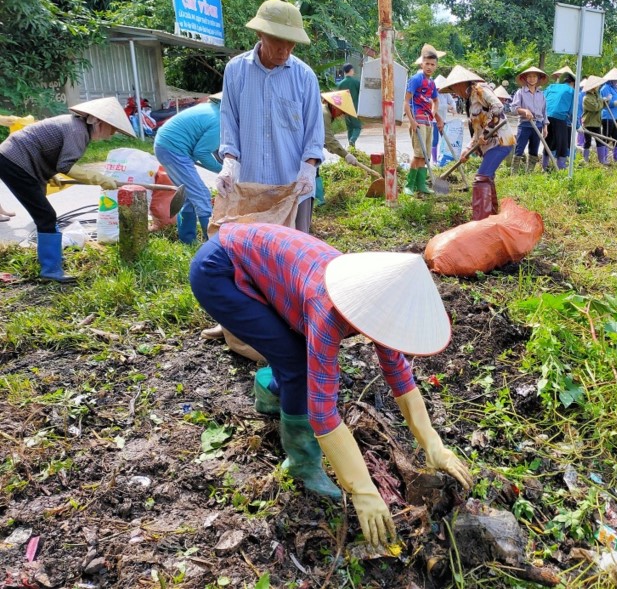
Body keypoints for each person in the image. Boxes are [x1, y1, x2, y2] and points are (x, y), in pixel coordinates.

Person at [189, 223, 472, 546]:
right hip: (219, 272)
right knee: (298, 364)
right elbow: (323, 413)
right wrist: (362, 490)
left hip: (260, 265)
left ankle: (271, 393)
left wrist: (432, 442)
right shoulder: (329, 309)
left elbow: (397, 370)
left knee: (293, 349)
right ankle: (302, 463)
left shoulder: (376, 298)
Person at [217, 0, 324, 234]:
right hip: (250, 187)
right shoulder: (236, 71)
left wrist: (308, 171)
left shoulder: (305, 77)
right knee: (251, 254)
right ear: (260, 33)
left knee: (291, 255)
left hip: (293, 187)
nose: (284, 50)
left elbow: (314, 136)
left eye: (291, 44)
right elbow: (229, 122)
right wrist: (229, 163)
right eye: (277, 41)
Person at [0, 97, 133, 281]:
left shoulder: (75, 126)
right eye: (113, 129)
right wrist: (99, 178)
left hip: (16, 160)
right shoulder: (78, 131)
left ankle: (52, 263)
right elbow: (66, 165)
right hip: (15, 162)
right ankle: (51, 270)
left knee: (45, 216)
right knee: (46, 216)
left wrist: (52, 175)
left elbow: (48, 151)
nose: (111, 134)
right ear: (100, 122)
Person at [440, 65, 515, 220]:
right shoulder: (469, 101)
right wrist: (467, 149)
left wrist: (487, 131)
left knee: (481, 179)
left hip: (500, 140)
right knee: (487, 178)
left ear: (461, 84)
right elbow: (477, 132)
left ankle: (481, 222)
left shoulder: (480, 90)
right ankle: (492, 217)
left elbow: (498, 107)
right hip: (490, 144)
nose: (455, 92)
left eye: (454, 88)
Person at [153, 93, 222, 244]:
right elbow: (202, 152)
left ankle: (188, 241)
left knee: (189, 196)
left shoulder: (211, 109)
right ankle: (212, 246)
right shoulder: (219, 120)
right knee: (202, 194)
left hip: (166, 146)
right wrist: (222, 170)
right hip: (173, 150)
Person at [404, 44, 444, 196]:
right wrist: (412, 121)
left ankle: (421, 185)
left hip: (428, 122)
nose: (429, 67)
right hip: (418, 121)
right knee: (417, 155)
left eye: (432, 64)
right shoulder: (416, 79)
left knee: (425, 156)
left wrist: (434, 115)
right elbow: (406, 102)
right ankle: (409, 185)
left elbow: (435, 101)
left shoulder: (432, 83)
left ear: (436, 66)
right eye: (426, 64)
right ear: (422, 63)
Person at [318, 90, 360, 204]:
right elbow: (328, 137)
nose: (341, 115)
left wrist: (327, 146)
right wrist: (346, 154)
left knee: (314, 171)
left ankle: (318, 200)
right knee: (312, 172)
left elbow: (320, 135)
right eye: (342, 111)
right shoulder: (324, 113)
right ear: (335, 107)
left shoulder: (323, 111)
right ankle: (317, 201)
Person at [511, 67, 549, 167]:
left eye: (534, 76)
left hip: (538, 125)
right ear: (525, 78)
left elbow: (544, 111)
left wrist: (545, 127)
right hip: (525, 125)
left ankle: (530, 174)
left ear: (538, 79)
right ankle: (514, 174)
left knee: (534, 150)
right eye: (529, 76)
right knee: (519, 149)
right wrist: (525, 111)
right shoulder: (520, 92)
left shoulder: (541, 94)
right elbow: (514, 108)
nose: (532, 79)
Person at [543, 69, 576, 170]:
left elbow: (543, 99)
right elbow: (572, 110)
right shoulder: (571, 90)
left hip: (546, 116)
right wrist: (577, 125)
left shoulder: (551, 86)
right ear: (572, 83)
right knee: (562, 142)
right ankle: (561, 166)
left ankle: (545, 166)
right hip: (560, 117)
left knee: (548, 141)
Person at [600, 68, 617, 163]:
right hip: (607, 116)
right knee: (606, 137)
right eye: (615, 79)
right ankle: (603, 158)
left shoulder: (615, 88)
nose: (616, 81)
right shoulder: (605, 88)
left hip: (615, 116)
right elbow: (607, 103)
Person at [580, 76, 606, 164]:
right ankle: (585, 160)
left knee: (600, 141)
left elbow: (601, 105)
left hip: (597, 122)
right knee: (587, 141)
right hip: (588, 123)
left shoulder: (597, 95)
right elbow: (595, 107)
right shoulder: (586, 98)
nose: (598, 86)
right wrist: (602, 102)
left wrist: (606, 101)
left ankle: (602, 160)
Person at [337, 64, 362, 149]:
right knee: (357, 127)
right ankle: (352, 140)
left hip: (345, 109)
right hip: (354, 108)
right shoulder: (356, 82)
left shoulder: (340, 84)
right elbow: (361, 94)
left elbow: (338, 99)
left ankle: (351, 148)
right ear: (351, 70)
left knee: (350, 128)